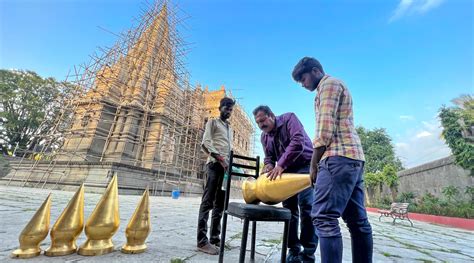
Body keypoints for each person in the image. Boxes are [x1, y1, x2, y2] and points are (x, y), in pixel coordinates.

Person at [292, 57, 373, 263]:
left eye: (303, 78)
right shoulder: (336, 85)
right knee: (357, 221)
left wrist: (314, 165)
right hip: (353, 158)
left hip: (337, 157)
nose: (303, 84)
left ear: (316, 70)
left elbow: (324, 128)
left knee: (323, 217)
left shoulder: (328, 85)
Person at [253, 105, 318, 263]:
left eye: (262, 120)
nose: (261, 125)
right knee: (289, 211)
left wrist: (280, 164)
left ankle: (308, 253)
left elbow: (298, 142)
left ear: (271, 115)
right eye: (258, 123)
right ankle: (293, 250)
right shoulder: (264, 137)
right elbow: (269, 157)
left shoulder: (289, 118)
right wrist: (268, 165)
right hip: (286, 172)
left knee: (307, 208)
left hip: (305, 167)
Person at [196, 97, 235, 255]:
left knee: (220, 204)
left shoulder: (229, 128)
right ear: (220, 107)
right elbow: (205, 142)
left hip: (225, 170)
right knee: (207, 203)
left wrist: (229, 164)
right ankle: (201, 241)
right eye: (226, 107)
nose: (229, 111)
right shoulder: (212, 123)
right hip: (214, 165)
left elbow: (229, 150)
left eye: (231, 109)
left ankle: (214, 238)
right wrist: (220, 159)